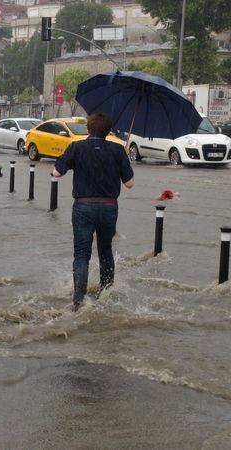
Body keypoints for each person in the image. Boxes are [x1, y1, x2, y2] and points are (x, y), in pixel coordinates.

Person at [52, 112, 135, 312]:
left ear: (88, 129)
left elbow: (57, 172)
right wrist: (121, 160)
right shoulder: (117, 150)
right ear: (108, 131)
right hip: (108, 207)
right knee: (106, 252)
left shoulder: (76, 147)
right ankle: (106, 293)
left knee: (82, 253)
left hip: (83, 206)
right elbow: (130, 183)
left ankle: (78, 300)